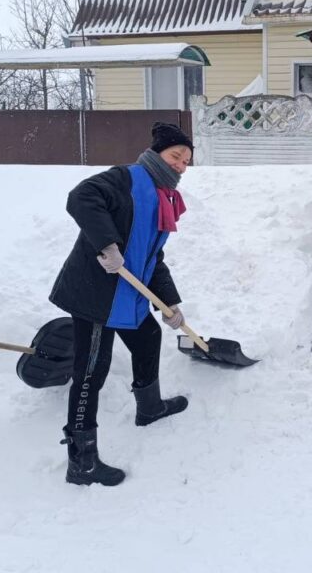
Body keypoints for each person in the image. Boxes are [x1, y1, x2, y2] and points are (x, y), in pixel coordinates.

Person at [49, 122, 193, 487]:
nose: (181, 166)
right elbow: (81, 197)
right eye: (176, 156)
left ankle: (150, 407)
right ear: (157, 153)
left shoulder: (161, 199)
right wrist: (107, 244)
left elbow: (152, 258)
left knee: (147, 336)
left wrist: (169, 303)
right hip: (95, 295)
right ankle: (81, 462)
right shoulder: (126, 178)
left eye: (186, 162)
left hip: (126, 295)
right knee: (90, 375)